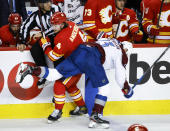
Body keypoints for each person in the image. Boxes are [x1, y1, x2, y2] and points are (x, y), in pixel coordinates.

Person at [15, 12, 133, 129]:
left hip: (81, 51)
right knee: (104, 88)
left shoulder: (111, 40)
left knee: (55, 75)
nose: (53, 27)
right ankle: (96, 115)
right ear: (126, 49)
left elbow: (97, 37)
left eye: (55, 25)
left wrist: (44, 43)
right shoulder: (121, 53)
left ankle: (30, 69)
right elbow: (120, 76)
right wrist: (126, 89)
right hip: (91, 58)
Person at [18, 0, 61, 86]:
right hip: (48, 39)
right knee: (34, 49)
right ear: (40, 4)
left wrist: (43, 33)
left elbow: (57, 26)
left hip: (60, 38)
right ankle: (45, 74)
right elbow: (25, 26)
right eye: (46, 2)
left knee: (57, 55)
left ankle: (59, 76)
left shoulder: (55, 9)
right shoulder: (36, 16)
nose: (49, 4)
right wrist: (22, 41)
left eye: (50, 1)